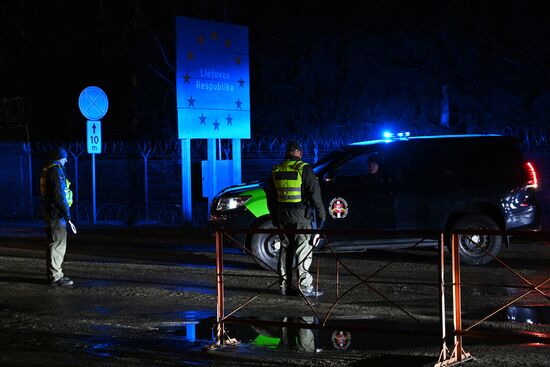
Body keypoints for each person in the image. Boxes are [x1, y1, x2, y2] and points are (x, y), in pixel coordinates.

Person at [265, 140, 326, 297]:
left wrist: (274, 217)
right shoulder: (304, 169)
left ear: (286, 152)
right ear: (300, 152)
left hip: (282, 217)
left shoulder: (276, 169)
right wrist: (321, 218)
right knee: (303, 251)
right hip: (301, 218)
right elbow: (315, 196)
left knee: (285, 250)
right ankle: (304, 287)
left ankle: (284, 286)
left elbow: (270, 198)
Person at [40, 147, 77, 287]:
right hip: (57, 214)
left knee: (53, 244)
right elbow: (59, 195)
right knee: (58, 245)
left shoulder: (48, 168)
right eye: (64, 157)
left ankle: (54, 275)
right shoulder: (56, 170)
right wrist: (67, 215)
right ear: (59, 157)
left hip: (51, 212)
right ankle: (55, 277)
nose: (66, 160)